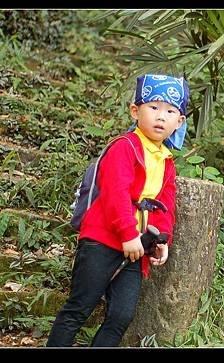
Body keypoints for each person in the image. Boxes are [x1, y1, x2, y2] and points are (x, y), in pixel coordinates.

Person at [47, 74, 189, 347]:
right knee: (78, 309)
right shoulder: (125, 147)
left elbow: (164, 205)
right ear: (135, 111)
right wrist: (127, 233)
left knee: (121, 316)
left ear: (179, 122)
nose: (161, 116)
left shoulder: (166, 161)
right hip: (103, 240)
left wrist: (162, 240)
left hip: (137, 248)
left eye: (170, 111)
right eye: (154, 107)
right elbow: (115, 193)